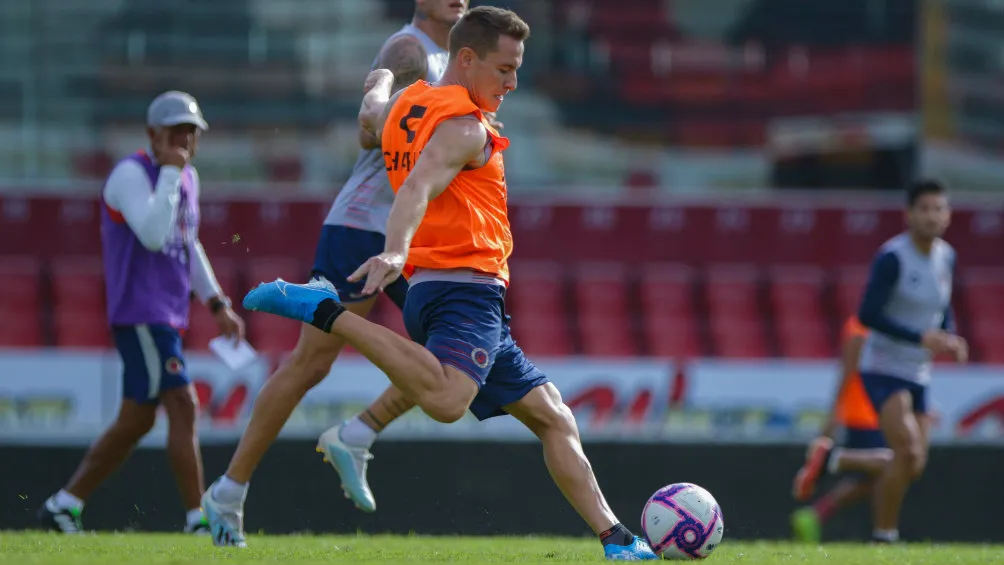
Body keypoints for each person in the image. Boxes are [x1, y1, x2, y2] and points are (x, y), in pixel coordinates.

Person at [239, 6, 657, 561]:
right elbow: (415, 188)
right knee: (445, 400)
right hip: (463, 288)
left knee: (553, 416)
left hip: (459, 290)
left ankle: (617, 540)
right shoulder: (463, 128)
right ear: (466, 59)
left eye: (516, 70)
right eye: (504, 69)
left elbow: (370, 117)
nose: (512, 82)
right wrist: (393, 248)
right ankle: (325, 310)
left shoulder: (410, 105)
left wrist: (382, 80)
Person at [199, 0, 469, 546]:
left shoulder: (448, 56)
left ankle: (356, 433)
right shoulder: (408, 49)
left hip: (407, 230)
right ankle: (230, 490)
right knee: (311, 363)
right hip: (366, 225)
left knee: (451, 355)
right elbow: (369, 133)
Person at [37, 91, 245, 535]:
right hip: (142, 313)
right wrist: (170, 173)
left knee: (137, 418)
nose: (185, 141)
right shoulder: (131, 176)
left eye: (192, 132)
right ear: (152, 133)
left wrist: (216, 303)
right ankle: (198, 520)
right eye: (176, 131)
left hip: (167, 314)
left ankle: (62, 504)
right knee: (184, 405)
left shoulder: (185, 177)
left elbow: (187, 243)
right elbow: (152, 234)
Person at [855, 179, 967, 543]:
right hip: (884, 366)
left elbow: (940, 305)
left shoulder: (946, 256)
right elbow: (867, 314)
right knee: (908, 449)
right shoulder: (893, 258)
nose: (932, 216)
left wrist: (948, 336)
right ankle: (883, 536)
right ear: (909, 215)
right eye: (924, 209)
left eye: (939, 209)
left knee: (913, 464)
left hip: (919, 371)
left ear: (948, 215)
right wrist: (920, 337)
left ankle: (839, 460)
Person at [789, 316, 893, 543]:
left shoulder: (881, 327)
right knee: (893, 466)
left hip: (878, 412)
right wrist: (834, 416)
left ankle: (816, 514)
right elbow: (847, 373)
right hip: (865, 415)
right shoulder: (862, 329)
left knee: (874, 479)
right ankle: (832, 460)